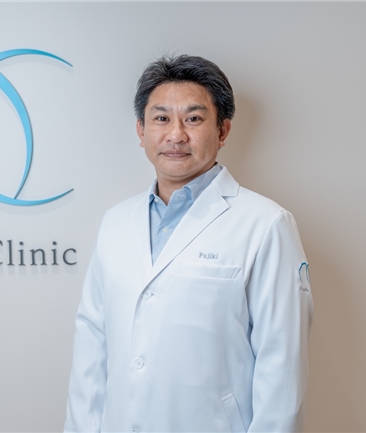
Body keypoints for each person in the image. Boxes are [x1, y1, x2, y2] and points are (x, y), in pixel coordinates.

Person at [64, 55, 314, 433]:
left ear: (223, 130)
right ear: (141, 130)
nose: (176, 135)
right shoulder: (116, 222)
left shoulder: (266, 224)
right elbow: (91, 350)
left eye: (193, 119)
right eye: (161, 118)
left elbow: (282, 369)